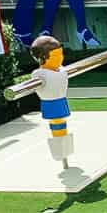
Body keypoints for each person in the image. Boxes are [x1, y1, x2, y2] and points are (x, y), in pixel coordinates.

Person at [29, 33, 74, 166]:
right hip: (51, 103)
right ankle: (61, 154)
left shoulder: (60, 70)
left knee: (62, 125)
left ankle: (64, 154)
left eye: (61, 54)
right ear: (43, 58)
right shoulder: (39, 74)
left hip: (61, 101)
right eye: (56, 56)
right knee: (57, 126)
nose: (61, 58)